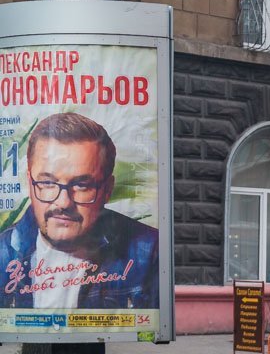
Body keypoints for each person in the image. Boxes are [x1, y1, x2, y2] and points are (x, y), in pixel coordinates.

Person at [0, 112, 158, 310]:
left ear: (107, 189)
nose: (63, 203)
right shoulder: (2, 254)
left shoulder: (150, 251)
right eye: (48, 183)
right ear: (30, 184)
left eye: (82, 185)